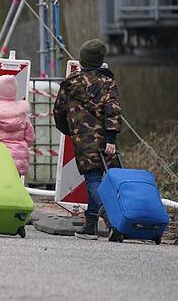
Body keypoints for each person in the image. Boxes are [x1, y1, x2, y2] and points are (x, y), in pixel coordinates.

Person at [53, 39, 121, 240]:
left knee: (92, 179)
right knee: (101, 179)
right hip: (107, 140)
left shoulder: (69, 84)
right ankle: (91, 225)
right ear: (100, 61)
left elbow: (59, 113)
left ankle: (110, 217)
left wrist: (71, 132)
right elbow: (113, 111)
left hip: (83, 140)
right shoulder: (108, 83)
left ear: (81, 60)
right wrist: (110, 138)